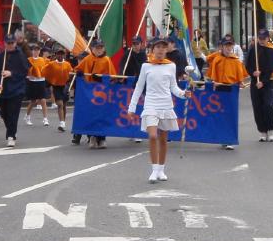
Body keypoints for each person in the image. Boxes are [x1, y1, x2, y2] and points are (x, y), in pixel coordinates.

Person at [128, 37, 192, 183]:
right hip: (150, 105)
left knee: (163, 139)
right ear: (152, 49)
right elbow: (138, 87)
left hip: (166, 105)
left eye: (163, 47)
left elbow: (173, 87)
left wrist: (183, 93)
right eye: (158, 47)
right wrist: (131, 107)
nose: (161, 50)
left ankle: (161, 170)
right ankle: (153, 170)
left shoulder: (171, 66)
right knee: (152, 136)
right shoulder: (146, 66)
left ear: (166, 50)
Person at [206, 36, 248, 150]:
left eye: (230, 46)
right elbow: (210, 69)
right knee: (220, 115)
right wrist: (213, 81)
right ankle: (223, 137)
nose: (229, 48)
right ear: (222, 47)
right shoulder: (217, 58)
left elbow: (240, 76)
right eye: (226, 46)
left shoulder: (236, 61)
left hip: (231, 90)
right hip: (219, 89)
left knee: (231, 115)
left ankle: (229, 139)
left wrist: (241, 82)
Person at [73, 39, 116, 148]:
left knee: (102, 114)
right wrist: (79, 73)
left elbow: (112, 77)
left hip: (102, 92)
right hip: (89, 92)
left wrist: (101, 79)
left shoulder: (107, 60)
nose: (99, 50)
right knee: (90, 114)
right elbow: (77, 69)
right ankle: (91, 137)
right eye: (97, 47)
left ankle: (102, 139)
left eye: (101, 47)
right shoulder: (88, 59)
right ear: (92, 48)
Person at [0, 34, 30, 147]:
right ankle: (11, 130)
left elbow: (25, 71)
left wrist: (11, 73)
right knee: (4, 113)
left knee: (13, 113)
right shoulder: (1, 55)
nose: (10, 45)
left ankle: (11, 135)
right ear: (5, 43)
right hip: (4, 89)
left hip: (17, 89)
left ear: (15, 43)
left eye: (12, 43)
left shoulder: (20, 55)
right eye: (8, 43)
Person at [245, 29, 273, 142]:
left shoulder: (271, 50)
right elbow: (247, 65)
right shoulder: (252, 49)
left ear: (268, 38)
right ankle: (262, 131)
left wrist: (262, 80)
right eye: (260, 38)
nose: (262, 40)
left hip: (267, 82)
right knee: (257, 107)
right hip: (255, 82)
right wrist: (253, 73)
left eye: (264, 38)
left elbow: (272, 68)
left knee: (268, 106)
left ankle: (271, 129)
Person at [42, 46, 73, 132]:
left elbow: (71, 73)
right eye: (58, 54)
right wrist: (50, 79)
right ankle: (61, 122)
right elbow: (43, 71)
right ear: (56, 55)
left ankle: (63, 122)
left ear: (64, 55)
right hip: (56, 86)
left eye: (62, 54)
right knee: (60, 104)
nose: (60, 55)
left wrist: (69, 79)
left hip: (65, 85)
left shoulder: (67, 64)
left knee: (64, 105)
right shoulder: (51, 64)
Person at [25, 44, 50, 126]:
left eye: (38, 50)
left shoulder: (44, 60)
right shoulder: (28, 60)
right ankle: (27, 116)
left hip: (41, 81)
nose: (36, 51)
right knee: (33, 101)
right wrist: (28, 75)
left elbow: (48, 69)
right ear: (32, 51)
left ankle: (45, 119)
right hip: (32, 82)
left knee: (43, 100)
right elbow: (26, 70)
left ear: (40, 51)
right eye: (35, 50)